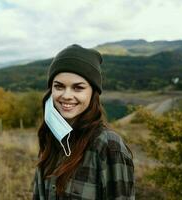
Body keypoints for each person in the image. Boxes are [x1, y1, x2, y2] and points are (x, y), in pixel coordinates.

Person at [32, 44, 135, 200]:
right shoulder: (52, 139)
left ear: (93, 92)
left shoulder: (108, 145)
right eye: (59, 86)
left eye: (78, 88)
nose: (66, 95)